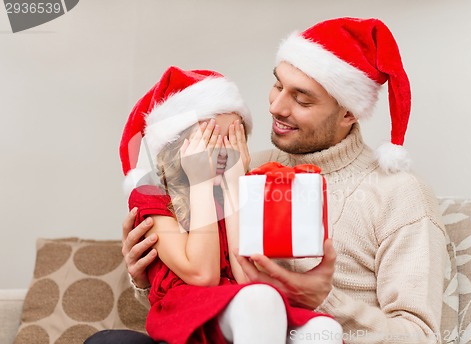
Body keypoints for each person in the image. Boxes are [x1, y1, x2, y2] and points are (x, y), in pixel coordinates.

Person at [88, 17, 448, 344]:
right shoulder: (246, 166)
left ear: (348, 113)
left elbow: (420, 336)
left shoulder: (399, 194)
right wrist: (145, 273)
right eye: (277, 86)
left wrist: (324, 300)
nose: (276, 107)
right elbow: (202, 284)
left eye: (301, 99)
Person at [86, 66, 342, 344]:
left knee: (324, 330)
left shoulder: (238, 187)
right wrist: (200, 183)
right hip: (188, 312)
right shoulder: (152, 192)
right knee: (261, 298)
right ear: (178, 147)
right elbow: (202, 274)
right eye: (210, 140)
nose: (223, 152)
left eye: (233, 139)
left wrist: (235, 186)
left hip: (241, 307)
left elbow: (246, 277)